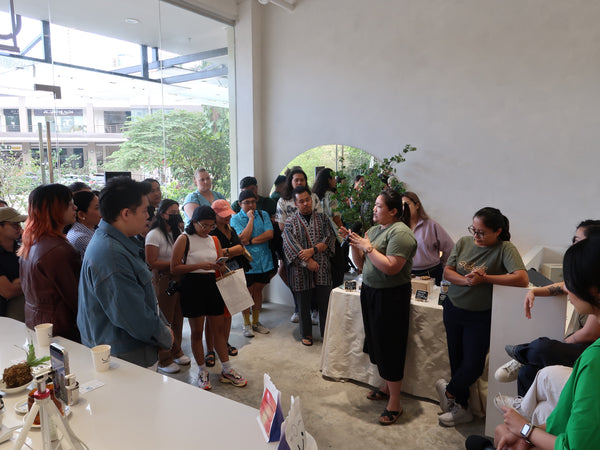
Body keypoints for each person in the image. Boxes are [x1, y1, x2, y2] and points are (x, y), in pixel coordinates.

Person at [494, 235, 600, 450]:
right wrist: (528, 433)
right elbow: (564, 422)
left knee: (498, 437)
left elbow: (573, 446)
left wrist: (526, 430)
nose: (566, 289)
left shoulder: (594, 359)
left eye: (571, 282)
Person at [436, 207, 529, 427]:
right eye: (474, 230)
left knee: (473, 365)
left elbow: (521, 278)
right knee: (456, 360)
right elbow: (447, 272)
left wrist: (485, 278)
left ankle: (449, 391)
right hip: (453, 308)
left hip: (480, 315)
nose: (476, 236)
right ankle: (462, 408)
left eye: (481, 232)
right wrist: (467, 281)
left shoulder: (505, 248)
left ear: (498, 231)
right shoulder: (463, 243)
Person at [495, 220, 600, 395]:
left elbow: (588, 334)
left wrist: (560, 346)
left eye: (579, 241)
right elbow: (564, 286)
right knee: (528, 371)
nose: (574, 246)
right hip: (583, 345)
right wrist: (536, 291)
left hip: (586, 346)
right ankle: (522, 406)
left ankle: (523, 354)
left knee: (543, 348)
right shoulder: (586, 281)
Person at [77, 177, 173, 368]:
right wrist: (164, 335)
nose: (149, 216)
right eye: (145, 210)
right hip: (126, 358)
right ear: (126, 213)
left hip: (128, 352)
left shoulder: (116, 243)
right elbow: (134, 317)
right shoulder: (111, 255)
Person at [340, 189, 416, 426]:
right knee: (377, 342)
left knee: (390, 345)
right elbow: (362, 265)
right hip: (371, 292)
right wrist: (355, 243)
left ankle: (395, 402)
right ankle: (386, 387)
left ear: (393, 211)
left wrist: (369, 247)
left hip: (391, 296)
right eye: (374, 205)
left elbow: (392, 267)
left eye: (379, 206)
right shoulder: (374, 231)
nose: (374, 209)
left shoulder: (401, 233)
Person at [171, 206, 247, 390]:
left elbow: (219, 262)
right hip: (192, 286)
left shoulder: (214, 239)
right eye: (203, 225)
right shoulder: (184, 238)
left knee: (218, 330)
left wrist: (218, 266)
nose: (207, 229)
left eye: (211, 226)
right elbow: (174, 268)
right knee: (197, 332)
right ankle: (202, 371)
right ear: (194, 222)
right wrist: (200, 266)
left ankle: (227, 369)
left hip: (212, 284)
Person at [19, 184, 81, 341]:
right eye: (69, 204)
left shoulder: (31, 242)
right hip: (60, 329)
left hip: (36, 324)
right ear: (54, 209)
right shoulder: (59, 249)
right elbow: (75, 298)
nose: (75, 207)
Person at [283, 186, 335, 347]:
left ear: (311, 200)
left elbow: (329, 238)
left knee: (325, 303)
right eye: (301, 201)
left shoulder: (323, 218)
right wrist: (308, 262)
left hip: (322, 266)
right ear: (295, 203)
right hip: (300, 269)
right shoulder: (290, 222)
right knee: (303, 305)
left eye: (307, 200)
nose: (305, 203)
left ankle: (326, 333)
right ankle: (306, 333)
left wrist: (314, 250)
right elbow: (290, 246)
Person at [145, 199, 190, 374]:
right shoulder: (154, 234)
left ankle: (176, 350)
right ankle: (163, 359)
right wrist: (174, 264)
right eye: (172, 212)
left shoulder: (177, 231)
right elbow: (151, 261)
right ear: (162, 214)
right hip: (163, 279)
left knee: (178, 316)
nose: (175, 215)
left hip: (179, 278)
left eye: (177, 211)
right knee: (165, 319)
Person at [275, 167, 323, 323]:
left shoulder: (313, 197)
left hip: (312, 245)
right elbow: (282, 226)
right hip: (291, 247)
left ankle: (315, 309)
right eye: (296, 180)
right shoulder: (283, 200)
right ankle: (298, 309)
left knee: (314, 277)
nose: (299, 182)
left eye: (302, 179)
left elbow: (320, 219)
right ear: (291, 182)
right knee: (295, 279)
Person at [205, 199, 250, 361]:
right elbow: (214, 254)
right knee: (212, 314)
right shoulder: (210, 232)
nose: (227, 218)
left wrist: (226, 251)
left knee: (228, 310)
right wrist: (231, 251)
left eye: (228, 215)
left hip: (231, 272)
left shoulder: (229, 228)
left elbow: (240, 248)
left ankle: (224, 342)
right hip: (215, 274)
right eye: (223, 215)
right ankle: (210, 348)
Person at [230, 190, 274, 337]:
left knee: (258, 291)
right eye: (247, 202)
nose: (251, 205)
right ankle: (246, 324)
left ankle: (256, 322)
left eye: (253, 202)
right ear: (240, 204)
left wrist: (251, 241)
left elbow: (269, 234)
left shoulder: (263, 214)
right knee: (246, 293)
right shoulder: (235, 219)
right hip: (247, 263)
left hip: (264, 261)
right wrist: (250, 220)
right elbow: (242, 238)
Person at [401, 191, 454, 285]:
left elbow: (450, 247)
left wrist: (443, 266)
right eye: (401, 206)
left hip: (431, 274)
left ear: (417, 205)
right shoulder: (399, 227)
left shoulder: (431, 225)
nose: (404, 208)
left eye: (407, 204)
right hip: (406, 274)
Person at [312, 167, 345, 287]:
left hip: (319, 237)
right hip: (333, 236)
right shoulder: (330, 195)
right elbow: (336, 218)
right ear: (328, 179)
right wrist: (344, 233)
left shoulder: (315, 195)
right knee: (337, 269)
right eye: (333, 178)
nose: (335, 181)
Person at [0, 207, 26, 321]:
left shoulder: (22, 248)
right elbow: (8, 291)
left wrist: (19, 282)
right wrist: (29, 280)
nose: (19, 228)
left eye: (19, 224)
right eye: (14, 225)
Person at [66, 190, 101, 257]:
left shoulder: (91, 229)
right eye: (97, 208)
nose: (102, 211)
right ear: (81, 215)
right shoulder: (81, 238)